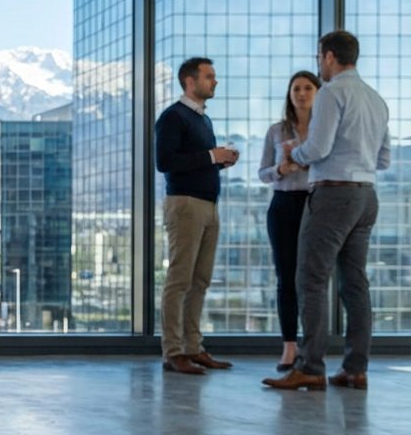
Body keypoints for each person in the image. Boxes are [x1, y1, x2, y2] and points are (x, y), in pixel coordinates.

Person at [264, 31, 391, 392]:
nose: (319, 64)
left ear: (330, 56)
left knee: (311, 279)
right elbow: (384, 160)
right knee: (355, 284)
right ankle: (355, 368)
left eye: (320, 57)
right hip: (366, 196)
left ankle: (310, 366)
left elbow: (317, 148)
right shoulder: (376, 99)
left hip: (333, 195)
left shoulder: (333, 92)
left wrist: (293, 154)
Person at [155, 57, 239, 375]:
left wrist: (218, 161)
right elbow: (165, 161)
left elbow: (195, 160)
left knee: (200, 280)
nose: (215, 82)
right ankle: (173, 351)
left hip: (208, 206)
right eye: (209, 77)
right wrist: (210, 156)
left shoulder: (203, 120)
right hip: (186, 206)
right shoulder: (173, 117)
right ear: (190, 81)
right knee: (179, 281)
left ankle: (193, 347)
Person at [257, 71, 320, 371]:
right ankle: (289, 347)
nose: (302, 93)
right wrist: (281, 169)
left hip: (315, 204)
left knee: (311, 278)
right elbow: (262, 173)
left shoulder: (325, 129)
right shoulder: (276, 130)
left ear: (318, 93)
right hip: (283, 205)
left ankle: (312, 348)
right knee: (286, 277)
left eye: (308, 88)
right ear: (289, 94)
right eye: (296, 88)